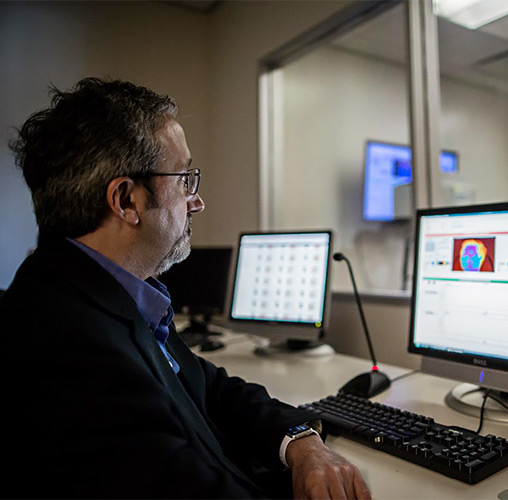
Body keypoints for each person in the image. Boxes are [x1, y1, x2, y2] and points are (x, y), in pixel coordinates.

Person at [0, 78, 370, 499]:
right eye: (184, 180)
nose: (197, 202)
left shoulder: (109, 295)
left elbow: (205, 386)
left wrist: (300, 442)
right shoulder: (69, 349)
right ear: (126, 200)